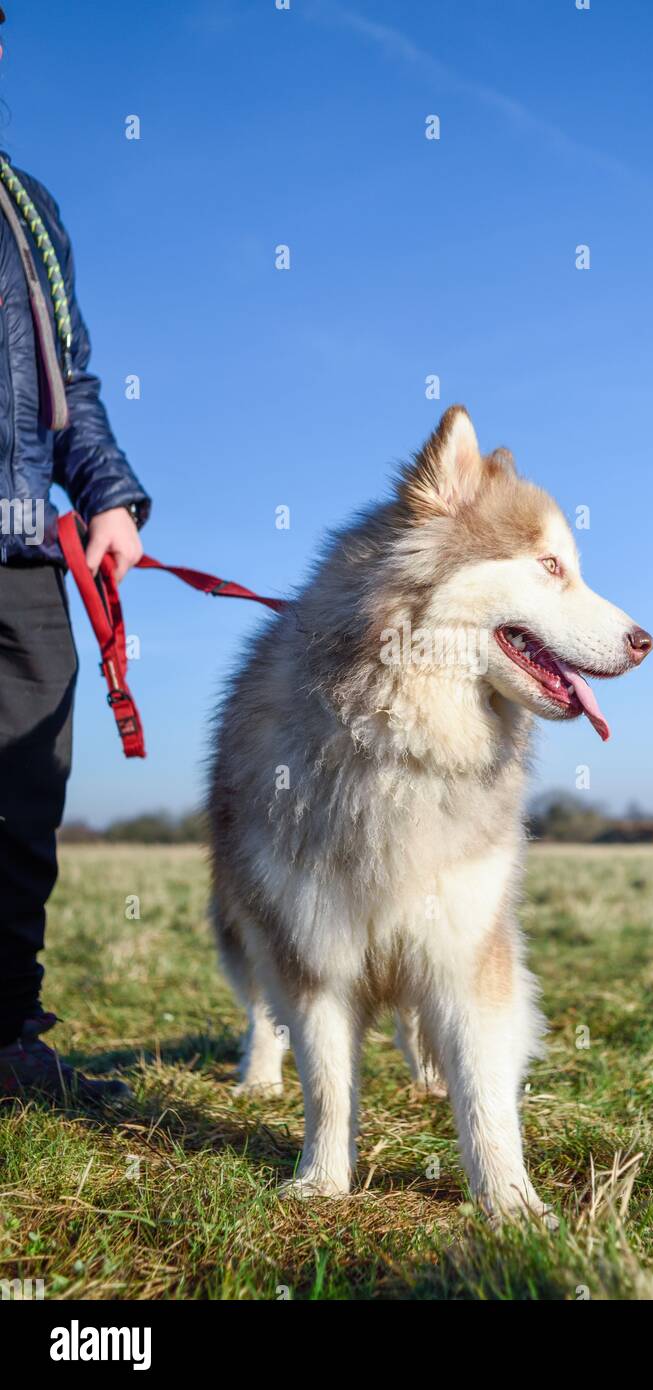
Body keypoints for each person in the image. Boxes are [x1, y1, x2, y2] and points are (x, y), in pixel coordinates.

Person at [0, 3, 150, 1101]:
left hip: (22, 551)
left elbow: (74, 388)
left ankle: (7, 1038)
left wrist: (108, 497)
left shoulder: (27, 206)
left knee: (23, 797)